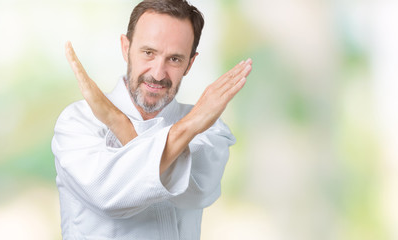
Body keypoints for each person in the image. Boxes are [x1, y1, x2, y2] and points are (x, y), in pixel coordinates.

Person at [51, 0, 252, 239]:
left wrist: (120, 125)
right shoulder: (78, 122)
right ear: (126, 48)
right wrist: (190, 124)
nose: (158, 73)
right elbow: (109, 194)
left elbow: (196, 192)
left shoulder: (208, 128)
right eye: (148, 53)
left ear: (190, 63)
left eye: (175, 59)